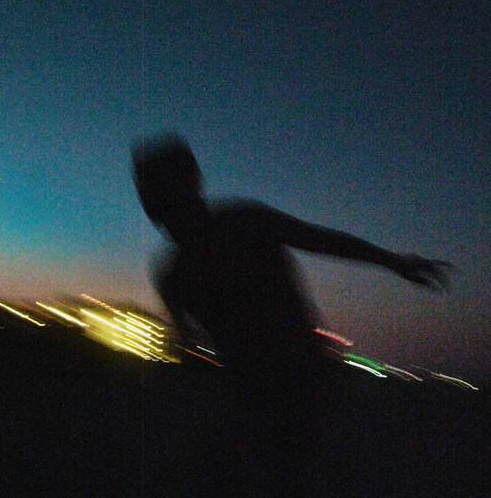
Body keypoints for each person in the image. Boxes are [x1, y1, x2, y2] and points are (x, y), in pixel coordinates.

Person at [131, 133, 450, 496]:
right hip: (269, 389)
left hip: (287, 386)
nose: (150, 200)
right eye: (148, 188)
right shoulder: (189, 260)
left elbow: (321, 241)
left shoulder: (214, 244)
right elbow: (320, 240)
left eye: (154, 188)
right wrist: (393, 263)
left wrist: (394, 262)